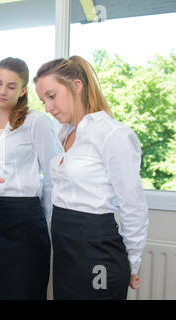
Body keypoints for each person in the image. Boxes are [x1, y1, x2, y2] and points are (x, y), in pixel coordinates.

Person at [34, 55, 149, 300]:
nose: (48, 107)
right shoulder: (65, 135)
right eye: (43, 100)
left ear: (77, 85)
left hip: (97, 252)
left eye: (52, 96)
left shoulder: (113, 134)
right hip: (66, 250)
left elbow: (133, 205)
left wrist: (133, 263)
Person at [0, 57, 60, 300]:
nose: (2, 91)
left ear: (23, 90)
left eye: (11, 86)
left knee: (27, 290)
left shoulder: (37, 122)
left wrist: (44, 220)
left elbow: (54, 176)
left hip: (27, 219)